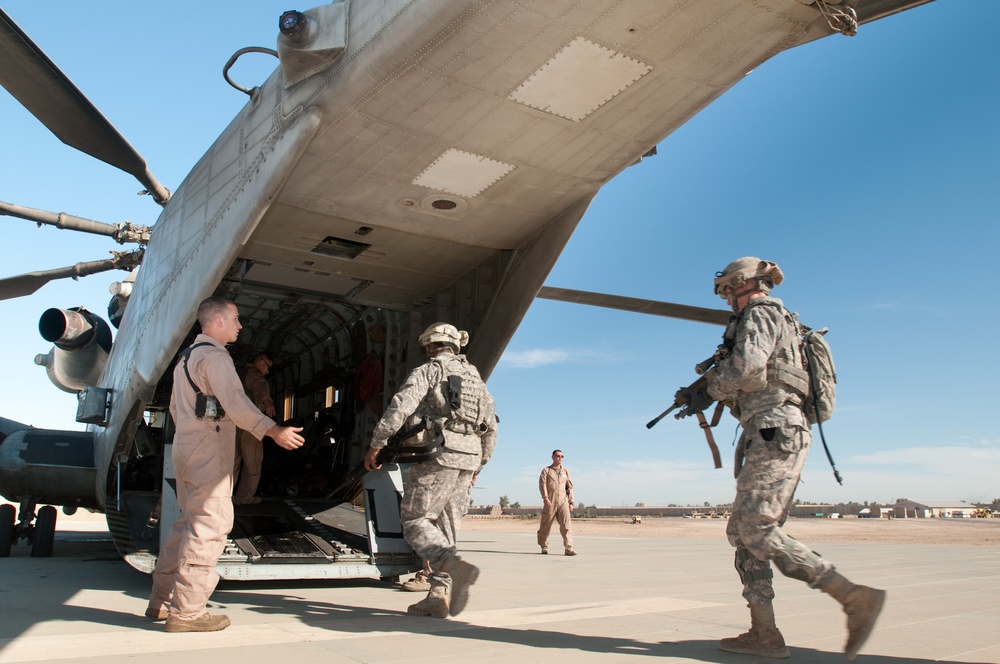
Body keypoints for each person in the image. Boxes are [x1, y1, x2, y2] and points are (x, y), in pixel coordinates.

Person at [706, 257, 885, 660]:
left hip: (775, 427)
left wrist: (712, 384)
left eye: (728, 291)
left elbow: (747, 369)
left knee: (754, 528)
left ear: (741, 284)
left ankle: (853, 597)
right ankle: (764, 633)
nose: (727, 300)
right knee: (744, 535)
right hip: (767, 428)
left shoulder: (762, 311)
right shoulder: (779, 321)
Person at [146, 297, 304, 633]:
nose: (240, 325)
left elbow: (175, 409)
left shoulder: (186, 358)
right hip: (208, 449)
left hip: (187, 445)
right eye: (235, 318)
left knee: (186, 524)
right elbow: (235, 402)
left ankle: (160, 601)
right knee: (209, 526)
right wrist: (272, 430)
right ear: (218, 322)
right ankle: (187, 614)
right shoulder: (216, 357)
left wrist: (193, 432)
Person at [364, 322, 497, 619]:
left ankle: (453, 568)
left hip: (440, 456)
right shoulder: (476, 377)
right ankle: (437, 595)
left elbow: (401, 406)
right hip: (469, 458)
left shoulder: (430, 370)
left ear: (429, 346)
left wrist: (378, 442)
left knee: (414, 520)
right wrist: (482, 462)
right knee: (448, 527)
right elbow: (492, 422)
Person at [233, 352, 276, 505]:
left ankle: (223, 497)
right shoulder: (254, 374)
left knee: (232, 462)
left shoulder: (237, 373)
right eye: (268, 367)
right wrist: (267, 402)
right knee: (253, 462)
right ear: (261, 362)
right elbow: (260, 386)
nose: (268, 371)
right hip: (249, 425)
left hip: (232, 424)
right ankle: (244, 497)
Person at [537, 449, 576, 555]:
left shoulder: (566, 472)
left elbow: (570, 487)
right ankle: (544, 545)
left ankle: (569, 548)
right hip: (550, 501)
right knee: (546, 524)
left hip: (563, 502)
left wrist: (571, 502)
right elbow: (542, 484)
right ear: (553, 457)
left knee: (566, 525)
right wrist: (545, 497)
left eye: (562, 456)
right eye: (558, 456)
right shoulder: (547, 471)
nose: (560, 458)